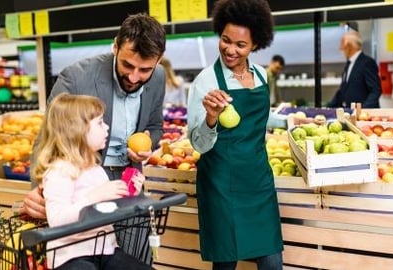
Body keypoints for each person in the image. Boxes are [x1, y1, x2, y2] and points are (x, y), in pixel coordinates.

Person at [22, 12, 166, 219]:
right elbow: (46, 139)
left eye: (144, 70)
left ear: (159, 60)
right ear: (115, 47)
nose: (134, 77)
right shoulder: (76, 78)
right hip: (82, 183)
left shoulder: (158, 77)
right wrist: (39, 190)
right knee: (90, 246)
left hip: (129, 181)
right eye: (127, 65)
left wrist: (146, 146)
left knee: (134, 250)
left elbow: (154, 126)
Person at [186, 0, 284, 269]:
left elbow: (260, 118)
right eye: (225, 40)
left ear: (255, 45)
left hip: (258, 180)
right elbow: (198, 143)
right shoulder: (206, 81)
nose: (230, 49)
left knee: (272, 261)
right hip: (221, 184)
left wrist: (290, 122)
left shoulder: (261, 75)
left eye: (240, 45)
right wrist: (211, 117)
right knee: (226, 264)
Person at [31, 93, 149, 270]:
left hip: (106, 250)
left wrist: (130, 193)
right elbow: (57, 221)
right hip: (71, 257)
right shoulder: (59, 172)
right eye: (100, 122)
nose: (107, 127)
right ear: (76, 130)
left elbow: (109, 208)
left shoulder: (95, 169)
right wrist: (93, 197)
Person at [327, 30, 381, 108]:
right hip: (350, 113)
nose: (340, 49)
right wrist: (328, 108)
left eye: (342, 45)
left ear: (349, 46)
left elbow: (375, 91)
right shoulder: (349, 64)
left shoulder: (367, 63)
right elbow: (343, 90)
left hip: (363, 115)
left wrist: (363, 110)